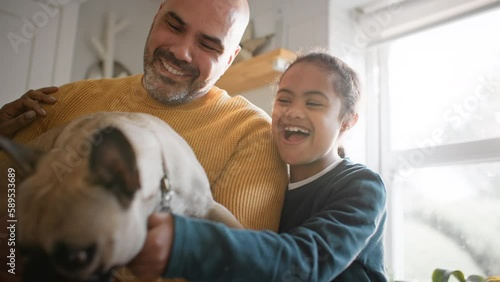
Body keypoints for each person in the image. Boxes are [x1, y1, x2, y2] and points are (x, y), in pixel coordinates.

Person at [0, 0, 288, 281]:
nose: (181, 52)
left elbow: (237, 268)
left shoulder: (253, 135)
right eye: (174, 26)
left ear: (229, 58)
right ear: (157, 17)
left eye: (208, 45)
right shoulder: (61, 99)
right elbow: (10, 188)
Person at [129, 51, 388, 282]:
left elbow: (305, 262)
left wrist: (186, 243)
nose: (293, 111)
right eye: (284, 100)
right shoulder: (270, 181)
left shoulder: (362, 187)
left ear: (347, 121)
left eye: (313, 103)